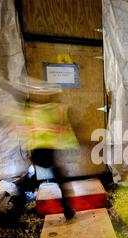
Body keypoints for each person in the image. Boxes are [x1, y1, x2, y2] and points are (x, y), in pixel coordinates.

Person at [18, 78, 80, 219]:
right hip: (44, 152)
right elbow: (59, 128)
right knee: (58, 180)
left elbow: (31, 129)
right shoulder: (45, 110)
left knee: (36, 179)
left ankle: (18, 207)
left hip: (43, 152)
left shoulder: (38, 110)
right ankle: (67, 210)